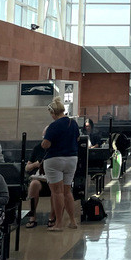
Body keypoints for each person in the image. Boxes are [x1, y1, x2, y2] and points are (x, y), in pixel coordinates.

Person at [41, 99, 81, 231]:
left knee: (57, 192)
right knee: (67, 191)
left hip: (54, 159)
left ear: (53, 112)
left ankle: (58, 223)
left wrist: (43, 143)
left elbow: (46, 144)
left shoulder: (54, 125)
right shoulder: (73, 123)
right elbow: (78, 139)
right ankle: (73, 221)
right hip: (72, 159)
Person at [23, 142, 46, 228]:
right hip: (39, 177)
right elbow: (27, 167)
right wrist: (35, 164)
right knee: (33, 184)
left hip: (53, 178)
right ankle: (32, 216)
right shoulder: (37, 148)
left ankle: (53, 217)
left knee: (56, 187)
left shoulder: (57, 147)